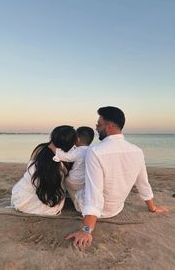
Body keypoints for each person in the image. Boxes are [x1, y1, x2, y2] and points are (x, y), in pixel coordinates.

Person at [65, 106, 168, 249]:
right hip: (115, 209)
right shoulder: (137, 151)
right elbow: (143, 183)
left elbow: (94, 193)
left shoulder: (95, 151)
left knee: (66, 178)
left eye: (99, 125)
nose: (96, 128)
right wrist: (153, 207)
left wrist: (86, 229)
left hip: (88, 208)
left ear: (109, 127)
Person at [11, 125, 77, 216]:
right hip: (50, 207)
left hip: (24, 203)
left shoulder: (40, 149)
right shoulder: (70, 156)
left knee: (26, 181)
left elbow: (29, 169)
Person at [49, 126, 94, 211]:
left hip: (73, 181)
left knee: (67, 184)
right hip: (84, 181)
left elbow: (64, 156)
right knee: (78, 191)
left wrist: (53, 147)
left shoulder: (78, 151)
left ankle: (76, 204)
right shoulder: (91, 150)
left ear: (77, 140)